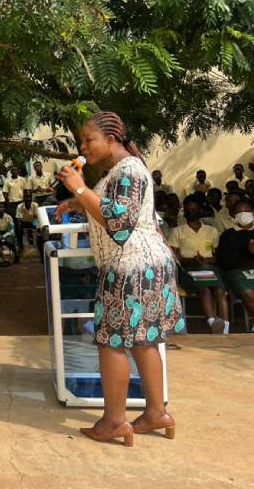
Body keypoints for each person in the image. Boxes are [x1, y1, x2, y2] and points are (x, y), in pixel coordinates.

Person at [56, 111, 183, 446]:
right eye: (81, 141)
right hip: (146, 267)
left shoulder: (128, 170)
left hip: (129, 269)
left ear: (111, 140)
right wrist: (77, 202)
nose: (83, 146)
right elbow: (112, 208)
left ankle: (114, 421)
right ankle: (156, 413)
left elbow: (119, 223)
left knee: (111, 343)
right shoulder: (124, 170)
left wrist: (79, 187)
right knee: (144, 340)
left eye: (88, 140)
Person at [168, 195, 230, 335]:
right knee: (204, 290)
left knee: (220, 290)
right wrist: (191, 260)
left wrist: (207, 260)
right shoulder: (176, 231)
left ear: (201, 211)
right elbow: (174, 258)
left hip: (210, 268)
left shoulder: (212, 231)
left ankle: (225, 328)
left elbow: (217, 256)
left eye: (195, 209)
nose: (192, 212)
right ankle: (213, 322)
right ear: (184, 212)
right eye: (188, 209)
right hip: (188, 269)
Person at [218, 199, 254, 330]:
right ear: (233, 216)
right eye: (239, 212)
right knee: (247, 291)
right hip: (236, 272)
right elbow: (223, 261)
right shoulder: (228, 235)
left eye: (247, 211)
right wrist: (247, 252)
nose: (244, 214)